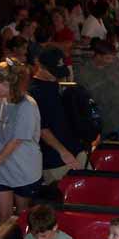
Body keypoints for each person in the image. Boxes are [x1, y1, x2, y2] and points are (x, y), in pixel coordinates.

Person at [0, 58, 42, 225]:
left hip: (23, 169)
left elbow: (15, 142)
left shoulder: (27, 106)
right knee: (2, 216)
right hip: (2, 168)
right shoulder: (0, 100)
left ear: (7, 83)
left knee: (22, 216)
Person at [29, 47, 86, 184]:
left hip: (72, 150)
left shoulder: (53, 84)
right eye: (53, 71)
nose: (56, 76)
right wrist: (63, 152)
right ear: (41, 67)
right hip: (55, 159)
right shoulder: (35, 93)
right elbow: (42, 129)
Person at [74, 39, 119, 139]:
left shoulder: (116, 62)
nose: (111, 61)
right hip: (106, 121)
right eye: (107, 58)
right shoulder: (83, 74)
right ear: (98, 56)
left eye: (112, 58)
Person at [48, 8, 74, 80]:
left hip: (65, 64)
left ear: (63, 18)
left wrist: (50, 43)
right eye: (53, 17)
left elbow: (66, 46)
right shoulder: (49, 31)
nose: (54, 19)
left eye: (57, 17)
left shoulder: (68, 32)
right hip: (51, 65)